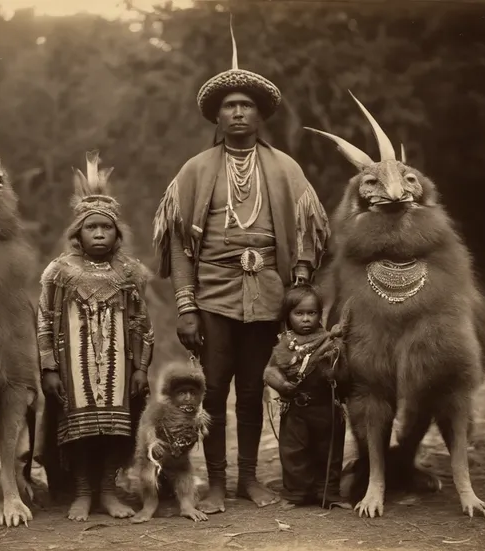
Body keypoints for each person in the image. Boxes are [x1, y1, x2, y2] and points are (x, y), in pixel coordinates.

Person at [151, 17, 330, 514]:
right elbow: (181, 248)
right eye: (229, 106)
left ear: (260, 115)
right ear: (216, 115)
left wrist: (299, 281)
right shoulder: (194, 171)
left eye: (246, 106)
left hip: (269, 294)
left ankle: (250, 480)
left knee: (253, 390)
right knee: (212, 392)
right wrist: (186, 307)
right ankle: (214, 484)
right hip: (212, 295)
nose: (237, 114)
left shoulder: (286, 169)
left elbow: (309, 232)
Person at [37, 150, 154, 521]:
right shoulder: (58, 271)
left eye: (106, 227)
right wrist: (49, 367)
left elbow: (141, 322)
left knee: (117, 431)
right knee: (79, 430)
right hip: (74, 369)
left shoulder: (131, 272)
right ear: (78, 233)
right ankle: (83, 492)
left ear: (118, 233)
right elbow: (44, 319)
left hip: (118, 371)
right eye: (92, 227)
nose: (99, 233)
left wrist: (140, 367)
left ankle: (107, 489)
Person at [263, 285, 347, 508]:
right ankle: (296, 493)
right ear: (288, 316)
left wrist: (336, 366)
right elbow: (270, 371)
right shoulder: (285, 344)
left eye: (312, 313)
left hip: (326, 407)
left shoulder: (330, 341)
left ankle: (328, 493)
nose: (306, 319)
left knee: (329, 451)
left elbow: (344, 371)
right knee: (294, 452)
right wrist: (281, 384)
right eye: (299, 313)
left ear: (320, 314)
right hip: (296, 408)